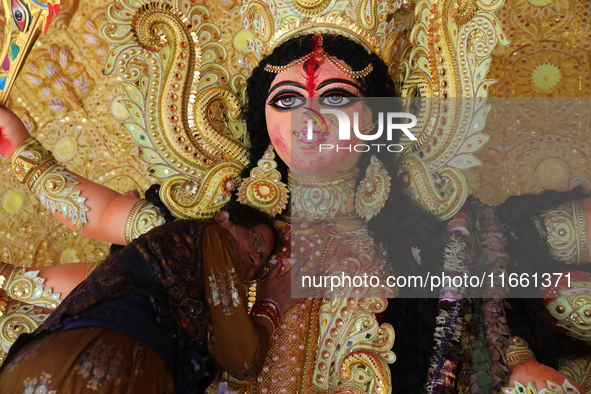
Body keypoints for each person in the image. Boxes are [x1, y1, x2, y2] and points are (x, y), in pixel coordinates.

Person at [1, 3, 591, 394]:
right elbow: (104, 216)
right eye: (286, 100)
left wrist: (519, 361)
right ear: (261, 121)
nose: (309, 116)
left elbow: (501, 311)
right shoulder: (225, 234)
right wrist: (20, 149)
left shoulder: (435, 226)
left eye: (335, 97)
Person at [0, 201, 298, 393]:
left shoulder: (175, 273)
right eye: (254, 241)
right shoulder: (212, 237)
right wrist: (268, 306)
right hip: (98, 367)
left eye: (260, 262)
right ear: (222, 219)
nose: (253, 258)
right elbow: (241, 360)